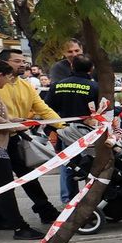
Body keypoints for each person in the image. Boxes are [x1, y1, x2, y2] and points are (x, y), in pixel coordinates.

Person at [0, 60, 45, 240]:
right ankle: (20, 228)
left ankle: (7, 222)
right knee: (4, 189)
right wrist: (11, 126)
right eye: (7, 76)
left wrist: (14, 120)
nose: (8, 81)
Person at [0, 49, 60, 223]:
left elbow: (43, 109)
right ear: (4, 63)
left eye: (23, 61)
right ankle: (3, 219)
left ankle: (45, 210)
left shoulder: (26, 85)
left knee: (28, 176)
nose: (23, 64)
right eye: (17, 61)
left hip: (15, 138)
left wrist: (62, 126)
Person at [44, 54, 99, 205]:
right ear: (91, 69)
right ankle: (91, 199)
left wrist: (50, 130)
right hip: (89, 133)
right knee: (92, 166)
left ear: (72, 67)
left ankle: (69, 201)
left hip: (64, 132)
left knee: (69, 166)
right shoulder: (94, 87)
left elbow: (47, 109)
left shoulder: (57, 85)